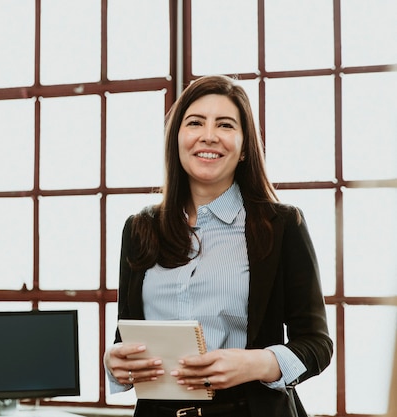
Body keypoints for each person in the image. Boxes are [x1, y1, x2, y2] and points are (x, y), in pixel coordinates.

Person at [104, 75, 333, 417]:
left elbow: (317, 345)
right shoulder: (140, 228)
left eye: (225, 125)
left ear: (243, 147)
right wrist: (115, 361)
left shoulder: (281, 226)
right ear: (177, 139)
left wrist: (257, 363)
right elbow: (128, 338)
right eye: (195, 122)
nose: (208, 135)